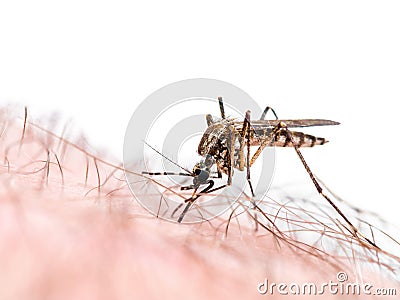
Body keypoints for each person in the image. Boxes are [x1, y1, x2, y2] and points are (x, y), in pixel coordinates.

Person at [0, 106, 398, 299]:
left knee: (245, 122)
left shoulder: (220, 147)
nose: (202, 181)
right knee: (225, 123)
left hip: (266, 129)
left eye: (200, 181)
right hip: (234, 138)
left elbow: (235, 133)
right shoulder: (207, 156)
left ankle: (327, 195)